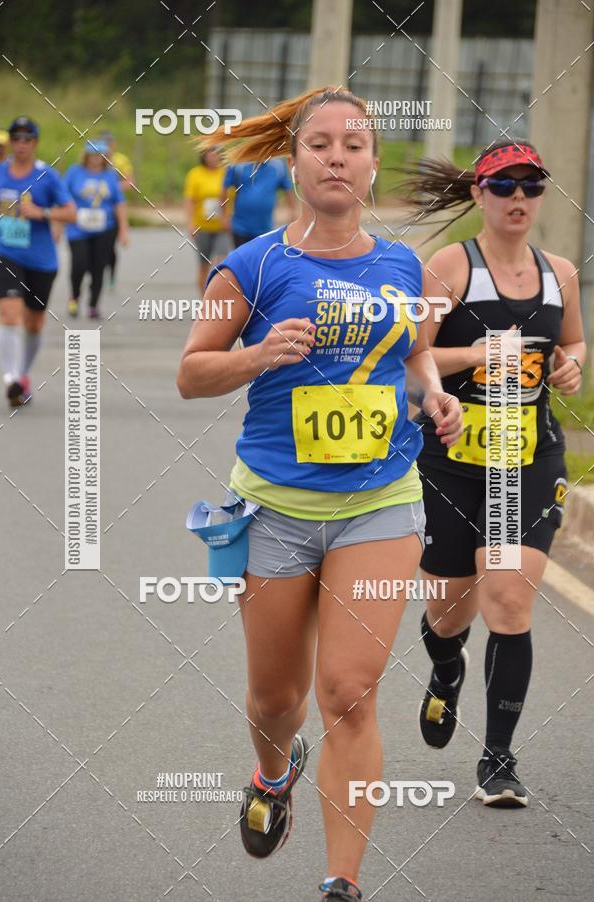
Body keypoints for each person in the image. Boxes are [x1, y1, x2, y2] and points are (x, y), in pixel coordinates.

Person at [177, 87, 463, 901]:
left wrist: (433, 394)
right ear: (295, 162)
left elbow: (409, 353)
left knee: (350, 692)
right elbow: (193, 374)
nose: (337, 156)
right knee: (279, 699)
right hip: (273, 508)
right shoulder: (254, 264)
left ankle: (342, 882)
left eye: (354, 145)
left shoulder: (401, 265)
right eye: (320, 145)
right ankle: (274, 774)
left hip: (380, 503)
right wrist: (259, 354)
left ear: (372, 166)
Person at [400, 140, 586, 806]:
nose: (518, 199)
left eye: (532, 187)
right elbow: (411, 359)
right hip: (450, 461)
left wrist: (571, 365)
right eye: (504, 186)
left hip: (526, 459)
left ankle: (499, 759)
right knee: (448, 613)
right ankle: (446, 669)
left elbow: (572, 344)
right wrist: (472, 354)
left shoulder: (559, 272)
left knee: (507, 599)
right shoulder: (449, 267)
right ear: (478, 194)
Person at [0, 117, 75, 406]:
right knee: (9, 314)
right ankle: (11, 378)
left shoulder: (47, 176)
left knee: (34, 324)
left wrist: (43, 213)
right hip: (5, 253)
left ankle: (22, 375)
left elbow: (71, 213)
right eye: (16, 138)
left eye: (27, 138)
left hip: (41, 260)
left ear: (35, 143)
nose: (21, 144)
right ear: (11, 142)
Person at [64, 139, 129, 319]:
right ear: (86, 155)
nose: (95, 159)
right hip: (77, 229)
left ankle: (93, 304)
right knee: (79, 264)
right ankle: (74, 297)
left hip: (104, 229)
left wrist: (123, 229)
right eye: (92, 155)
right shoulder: (74, 172)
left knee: (98, 267)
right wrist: (58, 223)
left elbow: (119, 203)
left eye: (99, 155)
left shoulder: (110, 175)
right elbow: (62, 198)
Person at [183, 146, 231, 296]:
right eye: (209, 154)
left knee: (221, 263)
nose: (212, 157)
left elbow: (234, 195)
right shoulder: (195, 174)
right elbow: (190, 200)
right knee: (204, 265)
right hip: (202, 226)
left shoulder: (227, 172)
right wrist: (190, 223)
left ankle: (218, 297)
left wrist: (229, 217)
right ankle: (204, 300)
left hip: (222, 227)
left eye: (216, 154)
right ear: (204, 156)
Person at [220, 157, 296, 247]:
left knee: (262, 259)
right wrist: (224, 215)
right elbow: (225, 188)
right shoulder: (238, 164)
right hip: (240, 227)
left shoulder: (278, 166)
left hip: (266, 228)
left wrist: (293, 211)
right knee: (243, 258)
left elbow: (288, 188)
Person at [98, 131, 134, 287]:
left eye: (109, 144)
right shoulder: (94, 159)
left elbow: (130, 183)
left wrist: (112, 188)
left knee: (110, 245)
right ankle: (96, 272)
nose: (107, 147)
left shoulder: (120, 160)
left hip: (115, 206)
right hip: (97, 206)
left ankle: (111, 274)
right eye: (103, 143)